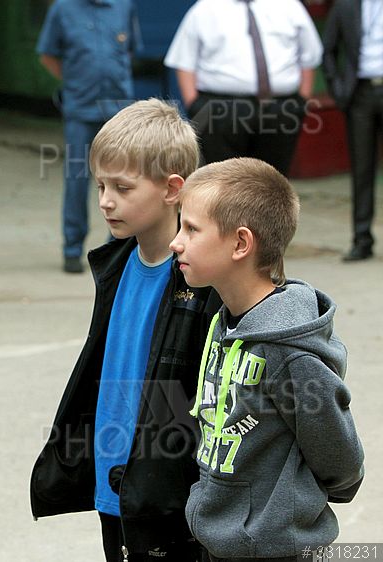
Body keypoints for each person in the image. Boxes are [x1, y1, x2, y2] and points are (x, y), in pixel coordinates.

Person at [30, 99, 219, 561]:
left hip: (168, 494)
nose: (105, 201)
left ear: (172, 189)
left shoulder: (201, 281)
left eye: (122, 187)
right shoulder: (114, 265)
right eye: (100, 185)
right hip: (111, 481)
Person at [169, 158, 365, 562]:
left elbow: (341, 459)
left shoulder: (289, 351)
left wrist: (285, 509)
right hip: (219, 541)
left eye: (191, 229)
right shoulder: (224, 322)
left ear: (241, 244)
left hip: (277, 549)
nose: (176, 242)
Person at [36, 0, 140, 273]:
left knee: (125, 178)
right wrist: (73, 81)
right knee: (77, 177)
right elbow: (48, 55)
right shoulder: (63, 9)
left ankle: (117, 246)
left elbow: (129, 51)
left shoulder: (123, 6)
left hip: (118, 109)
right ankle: (72, 248)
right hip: (80, 108)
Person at [164, 0, 323, 176]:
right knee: (223, 179)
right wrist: (194, 105)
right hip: (220, 109)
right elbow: (184, 61)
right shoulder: (205, 9)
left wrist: (302, 101)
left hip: (280, 108)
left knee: (274, 179)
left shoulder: (290, 6)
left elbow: (310, 56)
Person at [323, 0, 383, 262]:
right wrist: (338, 90)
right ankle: (362, 238)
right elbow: (328, 50)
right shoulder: (345, 6)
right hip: (360, 93)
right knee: (362, 168)